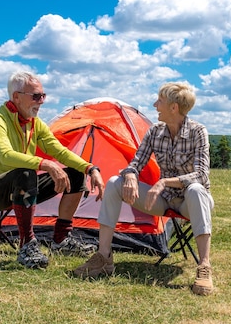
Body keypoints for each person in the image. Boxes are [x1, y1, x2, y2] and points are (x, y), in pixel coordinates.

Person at [73, 82, 215, 295]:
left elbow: (202, 175)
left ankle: (204, 267)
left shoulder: (198, 132)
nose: (155, 104)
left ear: (173, 107)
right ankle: (104, 257)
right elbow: (136, 162)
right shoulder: (155, 131)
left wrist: (164, 182)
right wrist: (130, 174)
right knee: (113, 183)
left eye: (160, 101)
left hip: (191, 202)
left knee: (195, 189)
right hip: (163, 200)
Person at [0, 71, 105, 269]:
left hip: (18, 187)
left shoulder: (35, 123)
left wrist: (91, 169)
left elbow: (59, 151)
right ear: (16, 97)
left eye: (43, 96)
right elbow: (6, 155)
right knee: (26, 172)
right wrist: (46, 164)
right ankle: (27, 245)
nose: (41, 101)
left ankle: (60, 240)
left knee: (74, 174)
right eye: (36, 96)